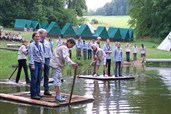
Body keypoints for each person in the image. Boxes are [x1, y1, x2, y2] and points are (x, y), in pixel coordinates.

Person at [28, 32, 44, 100]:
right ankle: (33, 94)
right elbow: (30, 55)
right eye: (36, 36)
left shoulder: (40, 44)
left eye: (38, 36)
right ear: (33, 37)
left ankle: (38, 92)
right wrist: (32, 64)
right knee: (34, 79)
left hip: (40, 62)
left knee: (39, 78)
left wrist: (43, 63)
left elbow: (42, 54)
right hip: (34, 62)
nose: (37, 38)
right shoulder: (31, 45)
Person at [38, 29, 52, 96]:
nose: (46, 34)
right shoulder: (37, 42)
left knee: (46, 75)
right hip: (40, 60)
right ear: (40, 34)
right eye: (44, 33)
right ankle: (37, 90)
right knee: (39, 75)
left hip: (47, 59)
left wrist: (51, 61)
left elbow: (50, 52)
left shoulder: (47, 42)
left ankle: (46, 89)